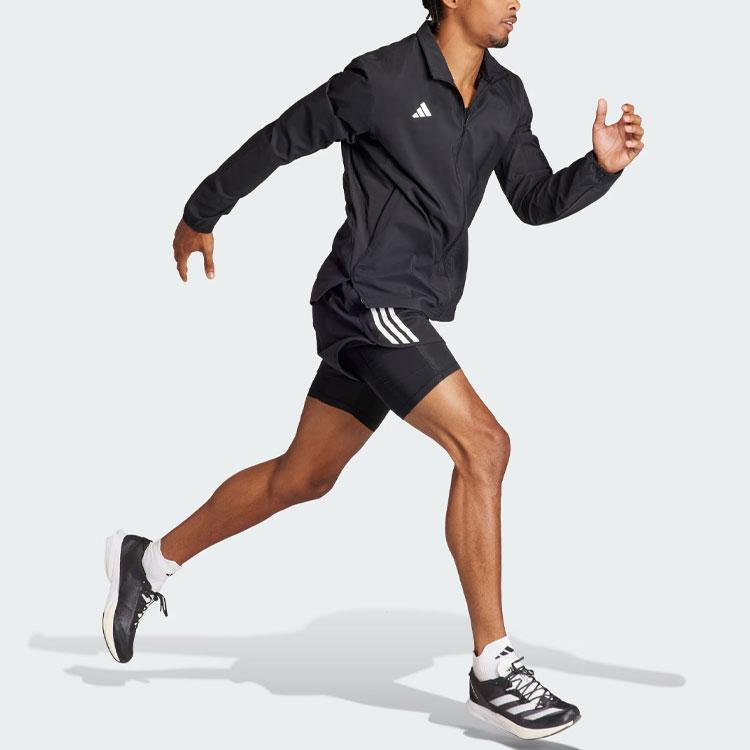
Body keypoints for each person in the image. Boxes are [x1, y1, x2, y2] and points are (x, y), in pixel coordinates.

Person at [102, 0, 644, 740]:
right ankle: (493, 666)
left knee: (303, 477)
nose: (518, 1)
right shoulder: (381, 79)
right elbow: (280, 139)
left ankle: (149, 562)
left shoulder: (506, 96)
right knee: (484, 446)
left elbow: (533, 199)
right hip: (366, 300)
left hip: (406, 309)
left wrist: (599, 169)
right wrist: (202, 212)